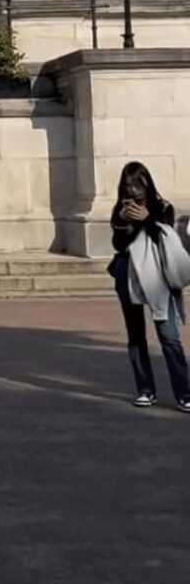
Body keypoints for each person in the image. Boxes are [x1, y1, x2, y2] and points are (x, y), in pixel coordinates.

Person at [109, 161, 190, 412]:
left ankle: (184, 393)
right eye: (128, 185)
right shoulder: (120, 209)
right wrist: (123, 223)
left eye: (137, 185)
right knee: (135, 335)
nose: (133, 191)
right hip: (128, 272)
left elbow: (164, 239)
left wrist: (147, 220)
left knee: (169, 336)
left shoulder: (162, 207)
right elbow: (119, 245)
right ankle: (146, 389)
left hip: (157, 275)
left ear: (146, 183)